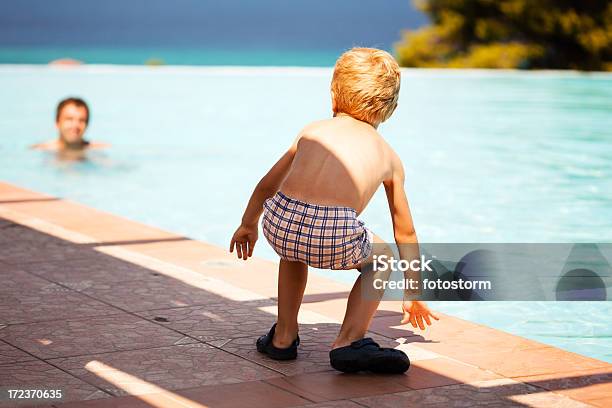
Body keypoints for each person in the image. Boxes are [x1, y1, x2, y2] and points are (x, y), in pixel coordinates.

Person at [230, 47, 438, 374]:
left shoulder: (312, 130)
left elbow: (267, 184)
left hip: (279, 222)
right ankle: (349, 341)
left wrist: (247, 224)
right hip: (331, 232)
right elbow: (405, 231)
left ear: (334, 96)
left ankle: (283, 338)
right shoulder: (389, 157)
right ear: (391, 108)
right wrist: (412, 289)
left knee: (294, 249)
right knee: (381, 258)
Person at [31, 97, 109, 159]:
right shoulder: (40, 150)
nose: (75, 125)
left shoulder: (98, 150)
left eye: (81, 120)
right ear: (57, 122)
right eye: (69, 119)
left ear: (87, 124)